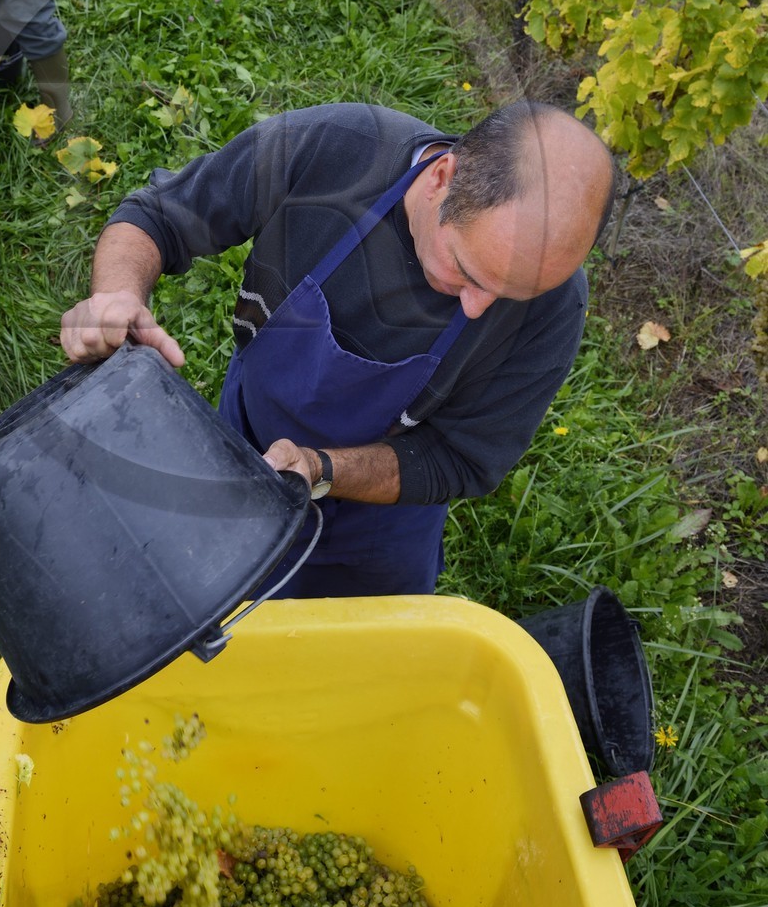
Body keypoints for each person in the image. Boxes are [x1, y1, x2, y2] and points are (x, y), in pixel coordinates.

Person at [59, 101, 616, 598]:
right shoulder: (336, 149)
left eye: (511, 295)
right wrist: (117, 296)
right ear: (442, 177)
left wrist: (321, 469)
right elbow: (160, 216)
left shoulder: (556, 305)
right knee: (218, 602)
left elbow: (459, 458)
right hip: (243, 443)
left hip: (381, 528)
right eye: (467, 272)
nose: (477, 308)